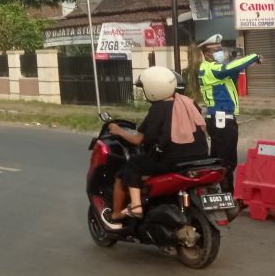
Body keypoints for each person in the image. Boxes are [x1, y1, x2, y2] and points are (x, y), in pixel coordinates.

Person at [101, 66, 209, 229]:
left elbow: (138, 140)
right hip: (200, 157)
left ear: (152, 89)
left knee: (132, 165)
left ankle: (130, 209)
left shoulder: (158, 109)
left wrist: (118, 131)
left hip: (171, 161)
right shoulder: (189, 102)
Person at [197, 34, 261, 194]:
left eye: (220, 49)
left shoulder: (212, 69)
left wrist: (236, 60)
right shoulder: (212, 68)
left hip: (218, 119)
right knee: (227, 162)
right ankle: (226, 195)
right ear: (206, 54)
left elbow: (231, 73)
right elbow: (229, 69)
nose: (220, 52)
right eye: (215, 50)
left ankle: (213, 192)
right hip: (222, 120)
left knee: (217, 159)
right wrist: (254, 57)